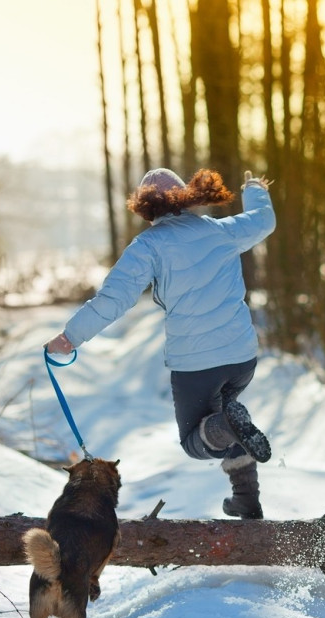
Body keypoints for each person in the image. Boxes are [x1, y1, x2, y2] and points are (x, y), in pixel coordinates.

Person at [45, 167, 276, 519]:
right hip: (242, 357)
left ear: (146, 208)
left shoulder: (149, 246)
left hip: (196, 366)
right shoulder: (221, 230)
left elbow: (113, 299)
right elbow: (263, 220)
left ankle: (229, 426)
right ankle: (246, 497)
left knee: (197, 440)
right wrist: (254, 188)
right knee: (223, 416)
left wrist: (69, 337)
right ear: (187, 198)